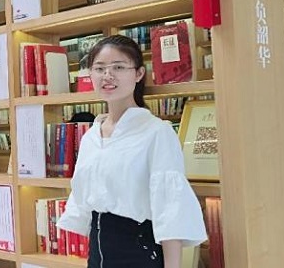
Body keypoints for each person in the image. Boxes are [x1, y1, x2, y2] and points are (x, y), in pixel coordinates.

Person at [57, 35, 207, 267]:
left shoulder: (157, 132)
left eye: (118, 67)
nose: (108, 75)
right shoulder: (91, 137)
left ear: (138, 74)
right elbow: (84, 202)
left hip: (138, 252)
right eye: (99, 68)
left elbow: (170, 208)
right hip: (97, 254)